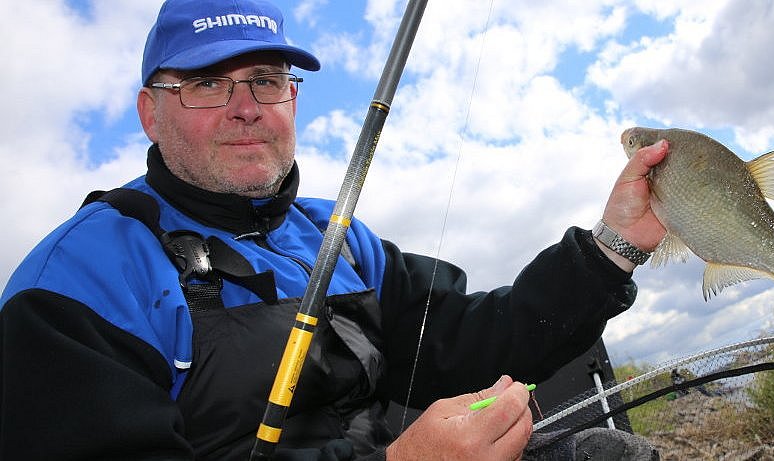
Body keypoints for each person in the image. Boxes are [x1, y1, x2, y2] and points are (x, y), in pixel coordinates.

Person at [0, 0, 669, 459]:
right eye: (207, 83)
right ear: (151, 113)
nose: (245, 109)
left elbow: (475, 341)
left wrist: (612, 246)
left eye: (265, 80)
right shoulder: (74, 280)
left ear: (292, 100)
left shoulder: (341, 238)